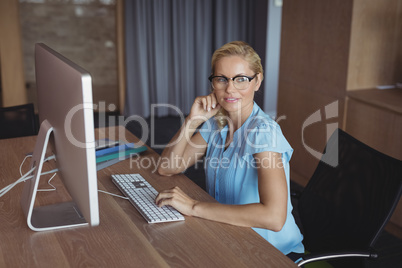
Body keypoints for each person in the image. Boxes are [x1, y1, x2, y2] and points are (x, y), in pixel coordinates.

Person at [156, 41, 304, 258]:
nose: (230, 89)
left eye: (241, 79)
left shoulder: (263, 132)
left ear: (257, 81)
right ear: (213, 83)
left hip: (271, 254)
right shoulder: (218, 122)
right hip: (229, 238)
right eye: (221, 79)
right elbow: (167, 168)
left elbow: (274, 217)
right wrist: (192, 120)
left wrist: (194, 206)